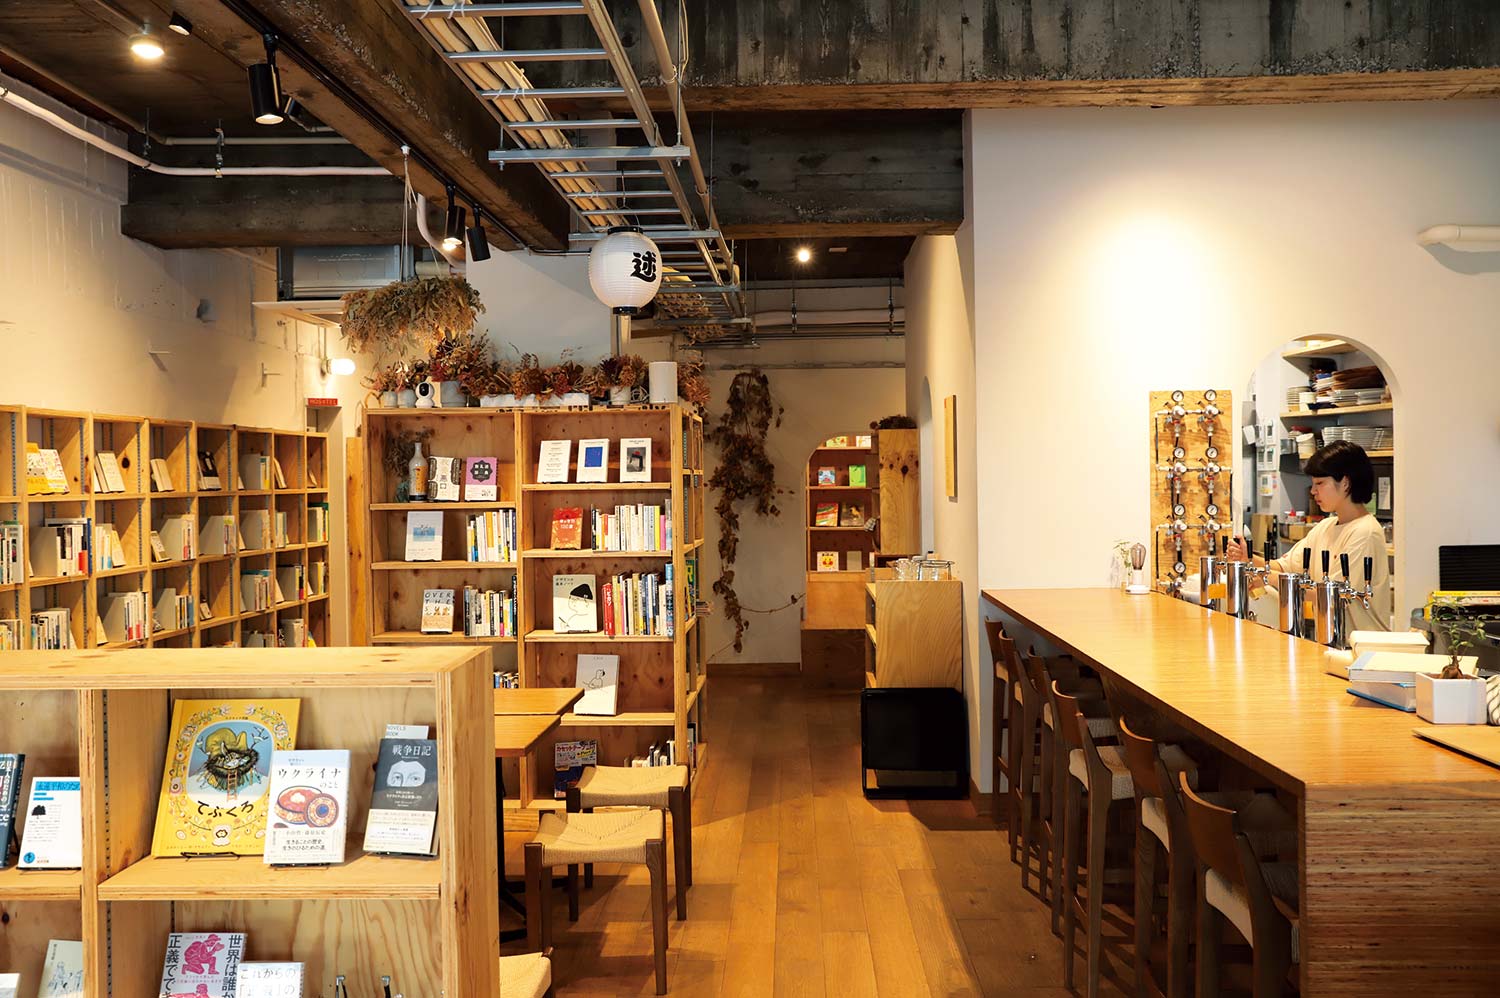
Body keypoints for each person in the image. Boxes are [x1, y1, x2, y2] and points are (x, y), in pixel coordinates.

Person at [1227, 439, 1391, 632]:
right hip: (1331, 640)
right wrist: (1248, 558)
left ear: (1345, 483)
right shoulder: (1326, 526)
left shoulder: (1365, 532)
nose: (1313, 491)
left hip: (1359, 645)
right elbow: (1286, 566)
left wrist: (1265, 577)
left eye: (1320, 483)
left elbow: (1330, 595)